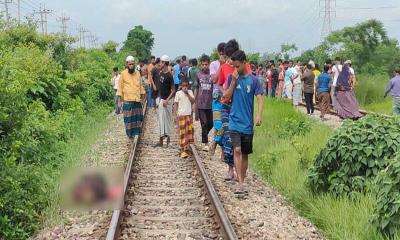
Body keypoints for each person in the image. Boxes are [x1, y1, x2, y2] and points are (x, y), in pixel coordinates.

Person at [223, 50, 263, 194]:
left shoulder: (254, 80)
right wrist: (233, 82)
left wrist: (259, 115)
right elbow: (226, 97)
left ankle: (242, 180)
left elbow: (259, 98)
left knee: (245, 153)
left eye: (237, 66)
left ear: (245, 62)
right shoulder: (231, 78)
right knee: (237, 149)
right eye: (233, 66)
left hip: (247, 124)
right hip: (234, 121)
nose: (235, 69)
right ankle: (240, 183)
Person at [116, 56, 145, 139]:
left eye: (133, 64)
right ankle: (130, 135)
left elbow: (141, 86)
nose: (131, 66)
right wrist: (119, 102)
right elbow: (120, 88)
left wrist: (143, 99)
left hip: (137, 101)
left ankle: (136, 135)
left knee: (137, 120)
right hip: (128, 101)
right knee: (128, 121)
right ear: (127, 64)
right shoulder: (123, 74)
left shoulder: (138, 73)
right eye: (130, 64)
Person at [209, 42, 226, 158]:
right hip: (217, 97)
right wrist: (222, 65)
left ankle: (219, 146)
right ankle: (215, 143)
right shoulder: (214, 64)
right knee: (218, 125)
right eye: (221, 54)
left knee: (226, 125)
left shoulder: (231, 65)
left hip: (228, 97)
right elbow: (214, 80)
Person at [155, 55, 176, 147]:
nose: (160, 63)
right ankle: (160, 140)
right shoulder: (160, 74)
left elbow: (173, 90)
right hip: (161, 100)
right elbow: (159, 88)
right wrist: (158, 99)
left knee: (167, 120)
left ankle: (168, 140)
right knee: (160, 119)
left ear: (165, 63)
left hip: (167, 101)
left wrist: (167, 100)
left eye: (162, 62)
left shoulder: (169, 75)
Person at [195, 54, 213, 152]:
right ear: (200, 65)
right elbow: (197, 88)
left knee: (211, 123)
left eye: (206, 64)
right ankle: (205, 143)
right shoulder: (198, 75)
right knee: (204, 123)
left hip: (210, 103)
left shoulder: (212, 74)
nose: (205, 66)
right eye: (203, 64)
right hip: (201, 104)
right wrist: (194, 101)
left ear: (209, 64)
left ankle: (204, 134)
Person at [174, 80, 195, 158]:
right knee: (182, 133)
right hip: (181, 115)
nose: (185, 87)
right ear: (181, 86)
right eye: (183, 86)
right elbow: (175, 104)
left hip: (188, 115)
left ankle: (186, 149)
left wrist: (187, 94)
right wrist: (175, 115)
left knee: (189, 133)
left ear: (188, 86)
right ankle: (183, 149)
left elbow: (193, 101)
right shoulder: (178, 93)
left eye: (186, 85)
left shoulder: (190, 92)